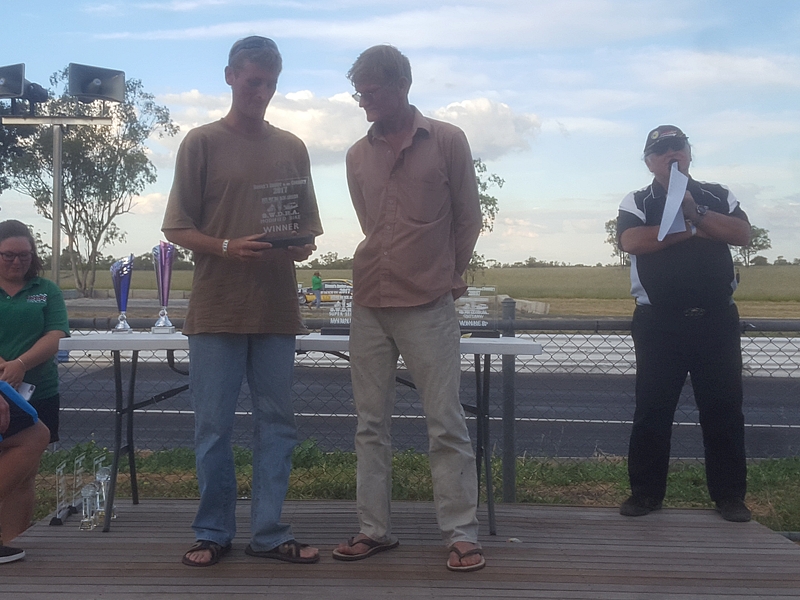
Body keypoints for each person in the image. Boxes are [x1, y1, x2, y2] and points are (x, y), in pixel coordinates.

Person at [162, 36, 323, 567]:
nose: (262, 92)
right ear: (230, 76)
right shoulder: (201, 142)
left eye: (271, 84)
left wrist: (298, 246)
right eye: (254, 81)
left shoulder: (293, 147)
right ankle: (212, 530)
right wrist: (227, 247)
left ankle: (269, 533)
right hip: (216, 309)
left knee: (278, 425)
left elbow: (306, 231)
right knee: (214, 427)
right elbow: (176, 228)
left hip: (276, 310)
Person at [332, 45, 485, 572]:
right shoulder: (356, 155)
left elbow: (468, 219)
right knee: (370, 424)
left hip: (429, 303)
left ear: (401, 85)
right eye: (359, 93)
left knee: (445, 422)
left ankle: (461, 534)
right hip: (369, 302)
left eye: (371, 92)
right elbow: (370, 223)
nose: (363, 102)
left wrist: (445, 275)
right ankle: (373, 530)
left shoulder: (448, 140)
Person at [616, 125, 752, 522]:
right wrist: (690, 229)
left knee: (724, 410)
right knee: (653, 410)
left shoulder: (718, 194)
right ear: (649, 162)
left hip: (716, 320)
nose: (671, 155)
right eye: (662, 151)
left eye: (678, 147)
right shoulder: (638, 200)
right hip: (659, 323)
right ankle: (645, 495)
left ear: (689, 154)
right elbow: (632, 241)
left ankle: (730, 497)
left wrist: (699, 212)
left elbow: (742, 233)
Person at [0, 219, 68, 560]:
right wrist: (4, 369)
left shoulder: (46, 289)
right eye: (8, 255)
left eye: (24, 255)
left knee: (24, 475)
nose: (17, 262)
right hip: (1, 392)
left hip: (38, 391)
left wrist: (21, 364)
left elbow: (55, 334)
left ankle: (11, 544)